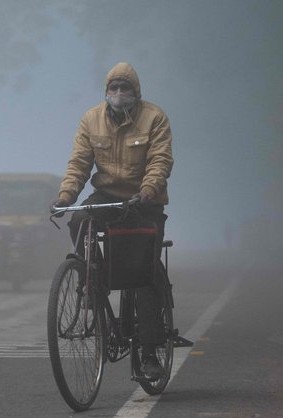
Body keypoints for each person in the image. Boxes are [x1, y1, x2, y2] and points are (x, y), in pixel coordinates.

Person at [53, 62, 174, 380]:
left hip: (143, 202)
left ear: (136, 91)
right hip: (106, 197)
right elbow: (79, 162)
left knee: (141, 273)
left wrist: (148, 190)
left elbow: (161, 159)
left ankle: (149, 354)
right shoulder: (91, 120)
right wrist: (65, 196)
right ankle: (93, 280)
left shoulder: (154, 117)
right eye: (114, 88)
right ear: (106, 92)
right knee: (78, 220)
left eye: (126, 87)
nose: (119, 93)